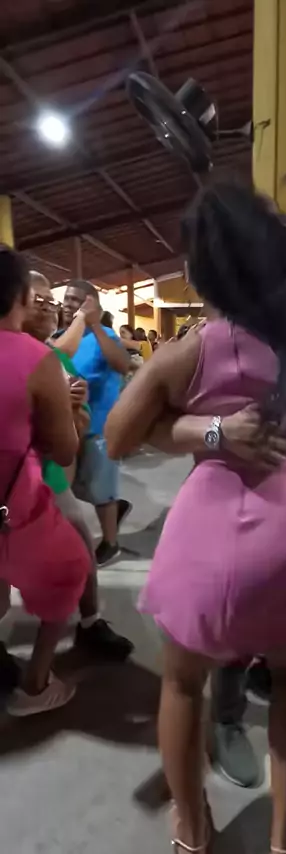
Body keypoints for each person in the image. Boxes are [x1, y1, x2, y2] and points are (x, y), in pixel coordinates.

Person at [105, 182, 286, 854]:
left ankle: (191, 831)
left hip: (202, 545)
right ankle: (285, 838)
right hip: (285, 543)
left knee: (184, 684)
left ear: (199, 271)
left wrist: (206, 431)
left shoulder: (187, 351)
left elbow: (118, 437)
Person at [23, 272, 134, 660]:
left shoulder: (66, 348)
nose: (54, 307)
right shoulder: (43, 349)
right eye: (40, 301)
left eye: (53, 302)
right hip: (22, 480)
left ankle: (88, 621)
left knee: (88, 522)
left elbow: (120, 364)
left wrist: (73, 414)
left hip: (61, 463)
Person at [0, 247, 91, 715]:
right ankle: (35, 684)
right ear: (20, 296)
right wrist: (73, 414)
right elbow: (64, 451)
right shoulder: (39, 359)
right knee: (71, 567)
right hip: (15, 510)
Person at [54, 280, 131, 565]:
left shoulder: (105, 335)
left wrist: (96, 324)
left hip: (100, 426)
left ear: (91, 304)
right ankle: (115, 506)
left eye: (76, 300)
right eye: (67, 298)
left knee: (99, 489)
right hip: (71, 428)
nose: (68, 304)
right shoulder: (62, 337)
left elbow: (123, 364)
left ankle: (111, 543)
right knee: (74, 487)